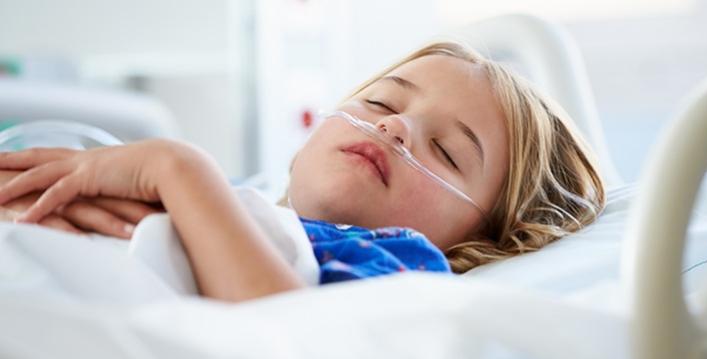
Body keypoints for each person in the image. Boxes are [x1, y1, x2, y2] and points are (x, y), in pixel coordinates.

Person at [0, 41, 604, 301]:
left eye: (447, 152)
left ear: (481, 239)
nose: (395, 128)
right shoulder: (245, 202)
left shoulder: (398, 269)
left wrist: (177, 168)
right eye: (381, 104)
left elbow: (288, 333)